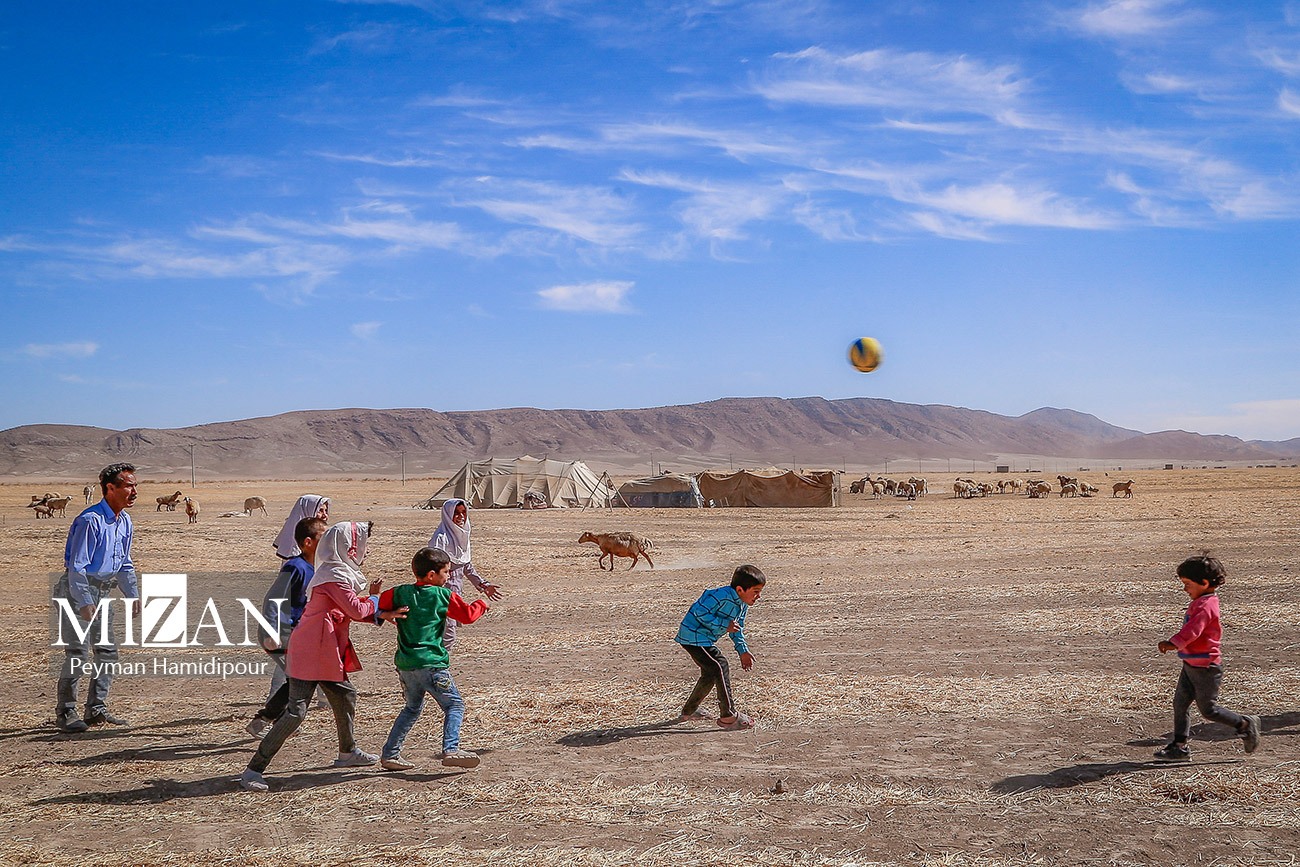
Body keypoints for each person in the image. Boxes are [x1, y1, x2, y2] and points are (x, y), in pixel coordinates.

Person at [240, 521, 407, 792]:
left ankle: (347, 752)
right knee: (295, 713)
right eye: (360, 544)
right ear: (347, 546)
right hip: (312, 650)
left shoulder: (334, 572)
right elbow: (355, 609)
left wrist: (379, 613)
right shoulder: (333, 575)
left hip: (322, 649)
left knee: (345, 695)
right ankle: (253, 770)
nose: (364, 550)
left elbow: (342, 610)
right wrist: (376, 600)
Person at [377, 547, 490, 771]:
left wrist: (375, 598)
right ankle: (451, 749)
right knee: (454, 705)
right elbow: (467, 616)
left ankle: (390, 753)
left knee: (411, 708)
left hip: (406, 664)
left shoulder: (399, 592)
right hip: (432, 664)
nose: (448, 576)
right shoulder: (442, 595)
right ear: (431, 575)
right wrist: (481, 604)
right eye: (446, 572)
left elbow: (376, 605)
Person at [54, 463, 141, 733]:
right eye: (128, 486)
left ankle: (96, 709)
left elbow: (124, 562)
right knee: (77, 653)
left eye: (135, 486)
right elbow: (77, 566)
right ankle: (66, 712)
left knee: (106, 652)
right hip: (77, 592)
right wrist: (84, 601)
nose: (134, 492)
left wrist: (132, 593)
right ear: (110, 488)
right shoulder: (90, 520)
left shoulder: (124, 521)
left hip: (103, 592)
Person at [1154, 554, 1262, 761]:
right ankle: (1179, 746)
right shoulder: (1201, 602)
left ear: (1204, 583)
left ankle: (1245, 724)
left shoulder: (1206, 605)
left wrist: (1173, 643)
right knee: (1180, 704)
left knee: (1209, 710)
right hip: (1191, 664)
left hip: (1206, 667)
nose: (1184, 589)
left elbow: (1193, 631)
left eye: (1187, 584)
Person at [245, 516, 325, 738]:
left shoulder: (316, 568)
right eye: (323, 537)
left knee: (298, 679)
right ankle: (269, 721)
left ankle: (266, 721)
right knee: (302, 678)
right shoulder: (295, 566)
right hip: (280, 632)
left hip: (294, 633)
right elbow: (273, 598)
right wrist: (272, 629)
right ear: (308, 542)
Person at [673, 565, 766, 730]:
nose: (759, 596)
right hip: (693, 636)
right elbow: (699, 611)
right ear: (740, 589)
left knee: (710, 673)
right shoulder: (720, 596)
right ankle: (728, 715)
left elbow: (736, 628)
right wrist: (724, 624)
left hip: (703, 640)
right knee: (720, 665)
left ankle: (690, 711)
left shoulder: (742, 604)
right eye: (756, 591)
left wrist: (743, 650)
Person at [261, 495, 330, 704]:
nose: (325, 515)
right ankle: (273, 707)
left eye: (326, 510)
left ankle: (326, 698)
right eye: (320, 510)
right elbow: (277, 598)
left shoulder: (317, 550)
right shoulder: (295, 563)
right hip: (293, 623)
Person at [427, 498, 504, 649]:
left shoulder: (461, 537)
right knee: (446, 637)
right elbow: (431, 570)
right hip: (440, 598)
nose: (461, 516)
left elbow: (466, 566)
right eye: (456, 513)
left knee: (445, 637)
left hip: (454, 597)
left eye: (463, 512)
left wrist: (483, 585)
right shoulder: (440, 540)